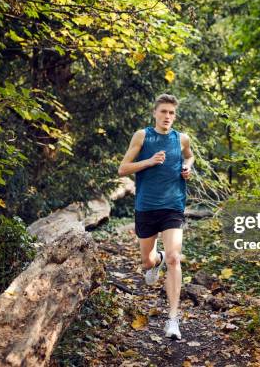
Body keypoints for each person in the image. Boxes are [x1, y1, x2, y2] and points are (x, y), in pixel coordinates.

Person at [118, 94, 194, 340]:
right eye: (163, 112)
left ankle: (173, 319)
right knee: (147, 262)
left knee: (174, 257)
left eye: (171, 113)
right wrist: (149, 161)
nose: (167, 117)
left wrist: (187, 168)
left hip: (173, 205)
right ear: (155, 113)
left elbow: (189, 156)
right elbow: (123, 168)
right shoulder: (143, 136)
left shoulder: (181, 138)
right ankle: (155, 260)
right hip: (147, 207)